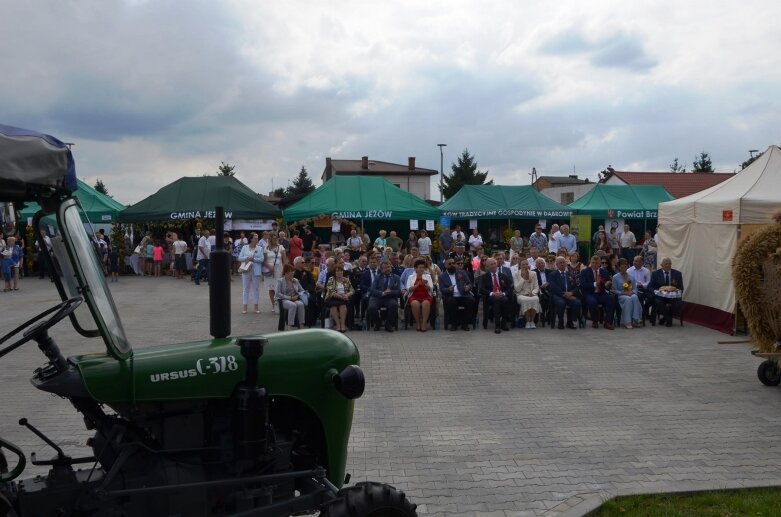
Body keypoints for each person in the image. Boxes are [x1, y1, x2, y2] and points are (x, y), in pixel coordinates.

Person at [439, 256, 476, 331]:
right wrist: (448, 289)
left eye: (453, 263)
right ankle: (454, 324)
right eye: (449, 263)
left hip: (463, 295)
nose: (452, 265)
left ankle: (465, 324)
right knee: (450, 302)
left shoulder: (461, 272)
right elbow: (442, 289)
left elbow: (469, 283)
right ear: (445, 265)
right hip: (451, 295)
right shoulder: (442, 276)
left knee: (471, 301)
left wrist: (467, 287)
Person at [479, 257, 513, 333]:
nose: (494, 266)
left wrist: (503, 293)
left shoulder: (503, 276)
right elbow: (481, 289)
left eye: (495, 264)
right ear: (487, 266)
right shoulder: (484, 277)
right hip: (490, 297)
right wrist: (492, 293)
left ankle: (503, 323)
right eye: (491, 264)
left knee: (505, 300)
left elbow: (509, 289)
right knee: (496, 301)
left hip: (501, 295)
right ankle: (497, 325)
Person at [647, 257, 684, 327]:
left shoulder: (677, 274)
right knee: (659, 302)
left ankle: (665, 318)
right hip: (660, 296)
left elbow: (681, 287)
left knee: (678, 303)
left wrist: (678, 292)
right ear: (661, 265)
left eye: (669, 264)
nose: (668, 265)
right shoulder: (655, 274)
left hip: (673, 296)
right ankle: (668, 320)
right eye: (666, 264)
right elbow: (650, 287)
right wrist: (655, 291)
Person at [367, 260, 401, 332]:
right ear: (381, 269)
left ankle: (388, 325)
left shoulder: (396, 277)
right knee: (371, 307)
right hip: (378, 297)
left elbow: (398, 291)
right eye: (385, 268)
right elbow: (372, 290)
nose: (387, 269)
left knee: (394, 305)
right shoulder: (377, 277)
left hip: (390, 297)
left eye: (388, 267)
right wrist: (382, 293)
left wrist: (390, 292)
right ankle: (378, 323)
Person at [548, 256, 580, 329]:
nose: (562, 264)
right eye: (560, 263)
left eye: (563, 262)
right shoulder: (552, 275)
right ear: (557, 264)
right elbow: (553, 287)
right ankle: (561, 322)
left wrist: (571, 293)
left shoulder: (570, 274)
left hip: (569, 295)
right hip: (558, 295)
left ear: (566, 264)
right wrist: (564, 294)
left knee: (577, 302)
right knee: (561, 303)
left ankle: (570, 322)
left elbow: (576, 286)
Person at [612, 258, 643, 329]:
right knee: (628, 299)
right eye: (622, 267)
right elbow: (614, 290)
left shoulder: (631, 277)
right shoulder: (615, 277)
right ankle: (627, 322)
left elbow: (635, 288)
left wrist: (631, 292)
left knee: (634, 297)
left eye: (625, 267)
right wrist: (624, 293)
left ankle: (636, 319)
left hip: (630, 294)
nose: (623, 269)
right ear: (619, 267)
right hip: (621, 296)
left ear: (627, 267)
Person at [406, 258, 434, 332]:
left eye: (423, 267)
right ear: (415, 268)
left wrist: (425, 285)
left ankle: (424, 323)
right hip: (414, 295)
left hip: (426, 295)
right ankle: (418, 322)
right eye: (420, 267)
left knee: (426, 303)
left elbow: (431, 288)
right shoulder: (411, 277)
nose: (422, 269)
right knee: (415, 303)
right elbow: (409, 289)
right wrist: (418, 285)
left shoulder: (427, 276)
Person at [238, 233, 263, 314]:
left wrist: (253, 259)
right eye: (255, 238)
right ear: (251, 239)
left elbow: (261, 259)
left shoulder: (260, 248)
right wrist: (247, 258)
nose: (257, 240)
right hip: (246, 270)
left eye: (257, 238)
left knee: (256, 289)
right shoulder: (245, 247)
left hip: (255, 271)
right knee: (245, 289)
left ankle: (256, 307)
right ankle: (245, 307)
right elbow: (239, 257)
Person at [275, 264, 306, 329]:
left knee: (301, 304)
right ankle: (290, 325)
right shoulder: (280, 281)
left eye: (293, 271)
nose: (292, 273)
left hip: (294, 299)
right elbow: (277, 293)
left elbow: (302, 291)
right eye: (291, 272)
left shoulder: (295, 280)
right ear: (286, 273)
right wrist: (290, 298)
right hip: (283, 299)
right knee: (293, 305)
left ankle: (301, 324)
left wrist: (297, 296)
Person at [325, 265, 354, 332]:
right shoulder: (331, 279)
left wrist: (347, 295)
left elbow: (352, 290)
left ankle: (342, 324)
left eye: (341, 271)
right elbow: (331, 291)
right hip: (333, 297)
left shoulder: (346, 280)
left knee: (343, 305)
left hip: (344, 297)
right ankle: (338, 324)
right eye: (337, 271)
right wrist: (342, 297)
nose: (339, 272)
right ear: (334, 272)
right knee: (333, 306)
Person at [514, 260, 542, 328]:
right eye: (523, 264)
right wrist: (523, 279)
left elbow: (536, 287)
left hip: (531, 294)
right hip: (521, 294)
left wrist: (532, 293)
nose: (525, 266)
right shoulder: (516, 274)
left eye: (526, 264)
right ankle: (527, 321)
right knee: (525, 300)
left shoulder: (533, 273)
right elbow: (517, 289)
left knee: (535, 299)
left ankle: (531, 321)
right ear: (520, 266)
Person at [263, 234, 286, 312]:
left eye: (276, 238)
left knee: (278, 287)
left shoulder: (281, 247)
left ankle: (279, 304)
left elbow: (284, 260)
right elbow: (264, 260)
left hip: (279, 269)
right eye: (273, 238)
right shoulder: (266, 248)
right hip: (269, 269)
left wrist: (284, 271)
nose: (275, 240)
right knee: (271, 288)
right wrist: (269, 266)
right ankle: (274, 305)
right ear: (270, 239)